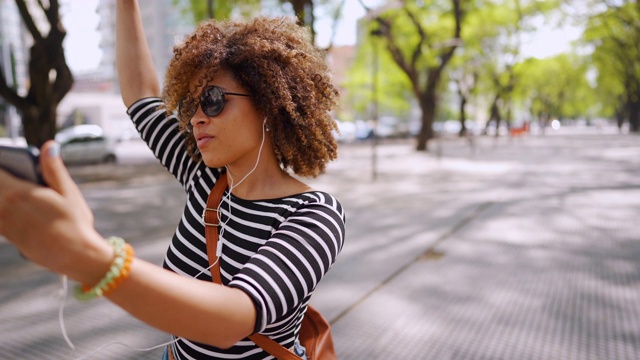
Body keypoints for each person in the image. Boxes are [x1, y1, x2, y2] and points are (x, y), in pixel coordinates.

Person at [0, 0, 346, 359]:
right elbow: (141, 96)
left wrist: (91, 257)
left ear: (269, 104)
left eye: (212, 100)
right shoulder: (205, 179)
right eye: (191, 103)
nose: (196, 118)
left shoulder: (315, 215)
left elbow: (231, 320)